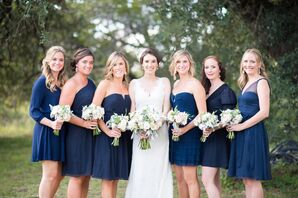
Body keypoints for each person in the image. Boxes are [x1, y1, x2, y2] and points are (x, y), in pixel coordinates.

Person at [125, 48, 173, 198]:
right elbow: (133, 109)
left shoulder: (164, 82)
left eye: (153, 61)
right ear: (142, 64)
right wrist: (138, 127)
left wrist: (157, 125)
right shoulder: (134, 83)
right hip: (140, 133)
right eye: (147, 61)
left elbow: (167, 107)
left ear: (158, 64)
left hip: (160, 132)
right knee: (141, 167)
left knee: (159, 167)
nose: (150, 64)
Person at [227, 48, 271, 198]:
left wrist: (241, 126)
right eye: (245, 61)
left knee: (252, 178)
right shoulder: (245, 83)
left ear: (259, 64)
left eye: (252, 61)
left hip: (253, 133)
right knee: (246, 179)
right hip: (242, 133)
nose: (248, 64)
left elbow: (264, 112)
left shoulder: (261, 82)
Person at [92, 51, 132, 198]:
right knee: (108, 179)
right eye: (115, 64)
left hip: (123, 137)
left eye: (121, 63)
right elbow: (94, 112)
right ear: (110, 67)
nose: (118, 67)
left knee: (115, 179)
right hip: (107, 138)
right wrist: (108, 131)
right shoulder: (105, 84)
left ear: (125, 66)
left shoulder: (128, 86)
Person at [29, 46, 67, 198]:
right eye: (54, 59)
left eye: (61, 60)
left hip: (61, 132)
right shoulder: (42, 82)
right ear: (48, 61)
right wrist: (51, 124)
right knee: (50, 175)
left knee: (59, 175)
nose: (58, 62)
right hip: (46, 131)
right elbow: (33, 110)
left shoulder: (63, 82)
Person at [59, 48, 97, 198]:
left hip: (90, 135)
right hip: (76, 135)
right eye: (85, 62)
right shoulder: (71, 84)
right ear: (76, 64)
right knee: (77, 176)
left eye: (91, 62)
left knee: (86, 175)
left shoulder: (91, 83)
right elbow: (63, 112)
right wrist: (84, 123)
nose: (88, 65)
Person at [168, 49, 207, 198]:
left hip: (190, 135)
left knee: (190, 178)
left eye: (185, 61)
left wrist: (185, 129)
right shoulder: (176, 84)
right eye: (178, 62)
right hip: (175, 135)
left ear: (190, 64)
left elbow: (202, 113)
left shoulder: (195, 84)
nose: (182, 65)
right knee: (179, 179)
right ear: (174, 65)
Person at [200, 56, 237, 198]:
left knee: (206, 179)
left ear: (220, 69)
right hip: (207, 138)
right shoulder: (205, 89)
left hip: (218, 140)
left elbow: (229, 117)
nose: (209, 70)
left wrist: (213, 128)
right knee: (213, 180)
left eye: (213, 67)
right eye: (206, 67)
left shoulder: (226, 91)